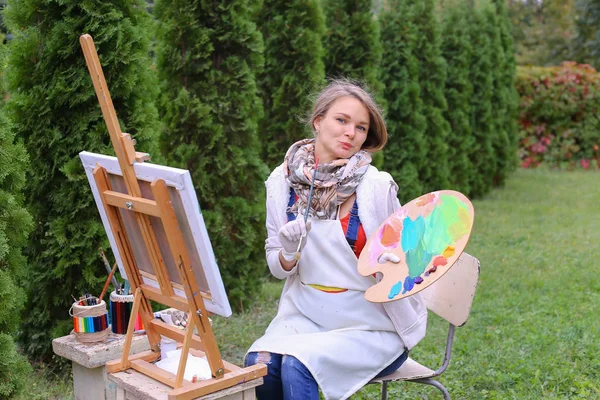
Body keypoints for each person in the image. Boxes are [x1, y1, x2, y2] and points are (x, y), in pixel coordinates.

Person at [245, 79, 428, 400]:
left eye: (360, 127)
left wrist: (391, 266)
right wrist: (288, 252)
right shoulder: (280, 182)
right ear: (318, 121)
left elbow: (413, 265)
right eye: (341, 120)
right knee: (260, 364)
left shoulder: (376, 186)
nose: (350, 133)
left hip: (372, 326)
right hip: (306, 316)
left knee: (296, 365)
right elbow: (277, 268)